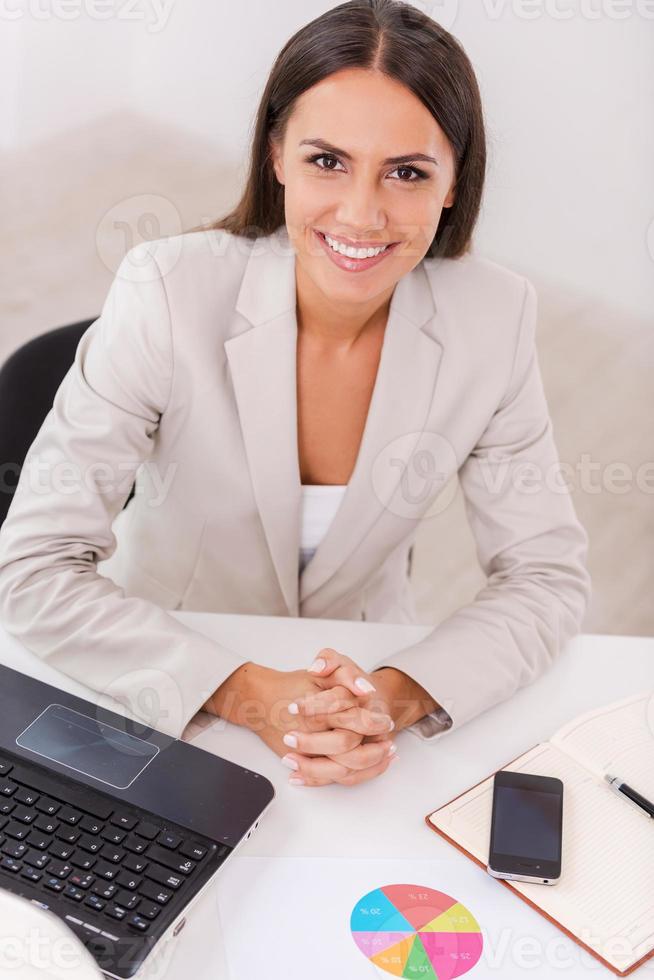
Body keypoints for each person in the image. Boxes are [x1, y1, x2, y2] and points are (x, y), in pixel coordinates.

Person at [0, 0, 591, 789]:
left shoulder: (495, 316)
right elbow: (33, 567)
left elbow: (547, 576)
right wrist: (246, 695)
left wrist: (394, 696)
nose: (362, 213)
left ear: (454, 184)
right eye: (327, 161)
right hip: (167, 678)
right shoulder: (166, 289)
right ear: (275, 154)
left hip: (365, 697)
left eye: (407, 172)